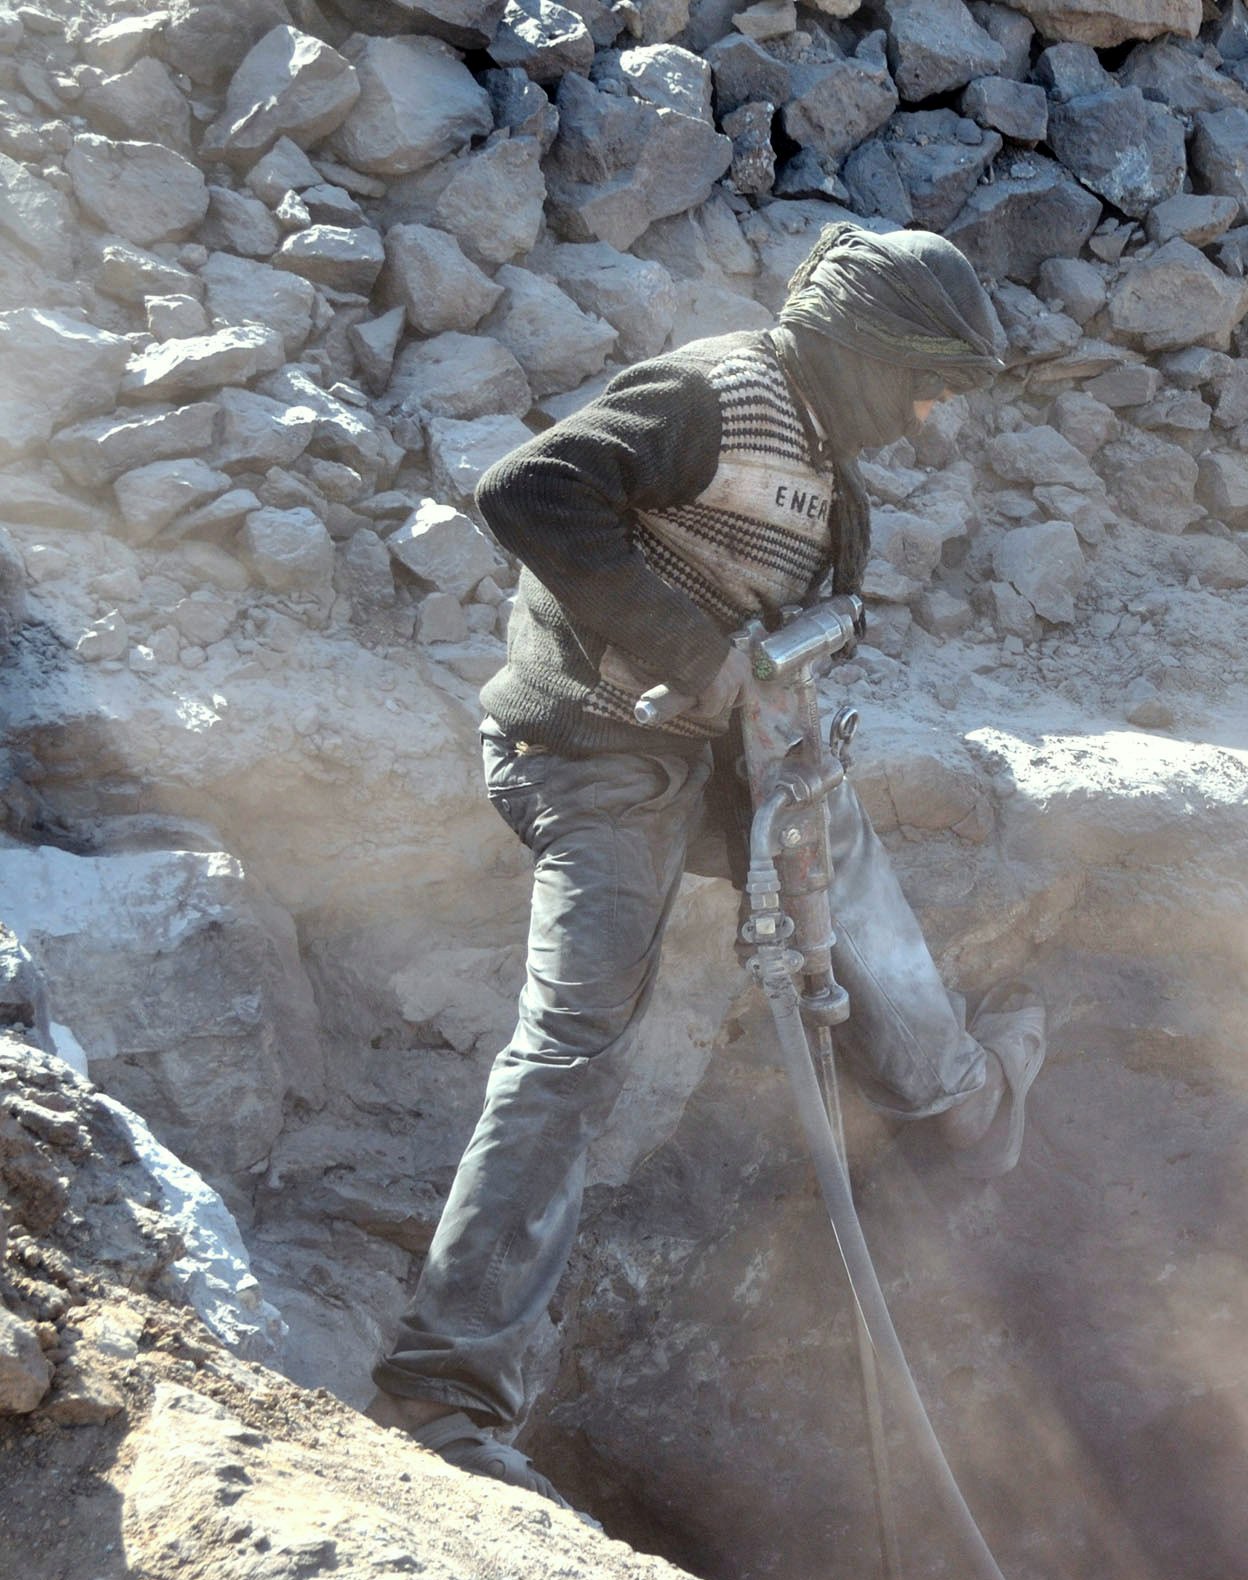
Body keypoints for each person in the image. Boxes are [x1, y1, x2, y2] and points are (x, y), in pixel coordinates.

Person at [366, 224, 1048, 1507]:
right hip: (594, 754)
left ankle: (959, 1105)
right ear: (864, 352)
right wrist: (694, 646)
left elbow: (773, 660)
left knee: (850, 878)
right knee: (576, 1036)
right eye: (924, 382)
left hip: (720, 763)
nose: (930, 414)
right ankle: (445, 1386)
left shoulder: (833, 488)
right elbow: (527, 492)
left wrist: (780, 759)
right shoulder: (715, 396)